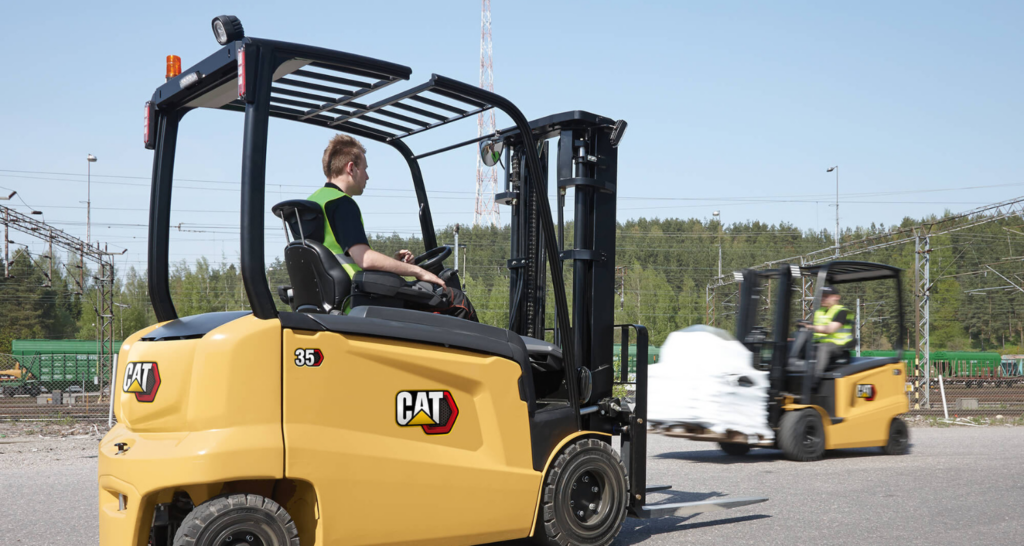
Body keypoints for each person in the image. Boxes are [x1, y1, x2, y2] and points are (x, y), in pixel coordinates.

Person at [307, 134, 478, 321]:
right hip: (360, 300)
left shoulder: (313, 202)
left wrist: (392, 264)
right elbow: (364, 259)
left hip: (339, 300)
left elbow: (340, 259)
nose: (367, 176)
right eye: (364, 169)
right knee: (457, 300)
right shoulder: (341, 204)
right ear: (351, 168)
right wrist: (418, 271)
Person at [805, 285, 853, 382]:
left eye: (826, 296)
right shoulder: (819, 312)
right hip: (818, 344)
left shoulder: (842, 311)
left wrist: (811, 327)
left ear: (836, 297)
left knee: (824, 348)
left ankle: (815, 380)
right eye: (822, 296)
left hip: (837, 346)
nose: (823, 298)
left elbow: (830, 329)